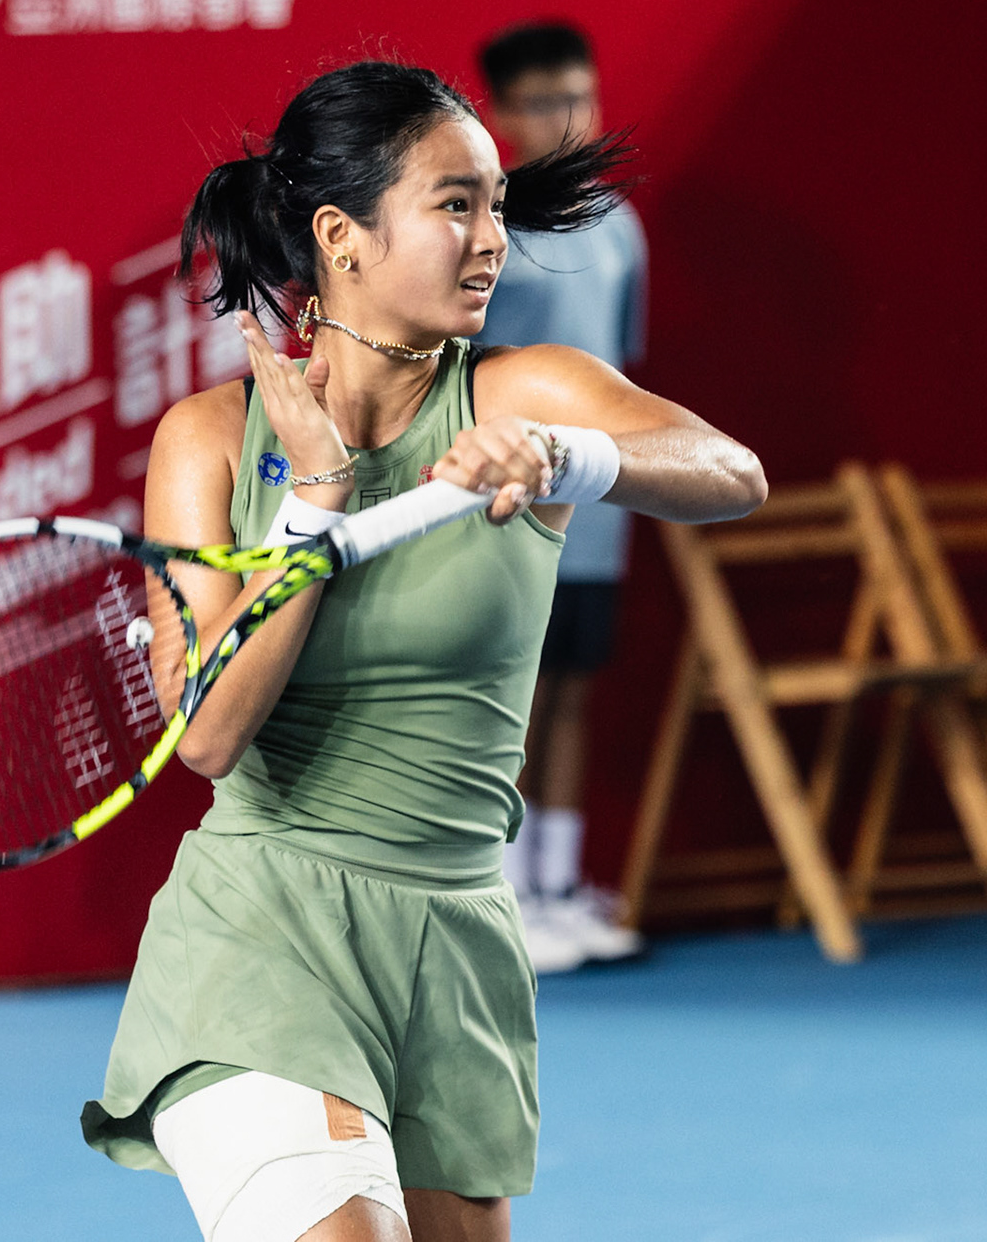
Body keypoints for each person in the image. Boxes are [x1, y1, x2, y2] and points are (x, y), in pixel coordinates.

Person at [80, 60, 765, 1242]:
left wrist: (566, 457)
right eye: (457, 205)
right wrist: (314, 505)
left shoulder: (527, 392)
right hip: (265, 934)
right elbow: (210, 734)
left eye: (496, 204)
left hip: (457, 947)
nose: (493, 238)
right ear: (342, 236)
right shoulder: (209, 440)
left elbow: (732, 475)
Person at [478, 22, 650, 974]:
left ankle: (557, 886)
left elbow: (622, 371)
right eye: (544, 103)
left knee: (575, 693)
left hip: (601, 505)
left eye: (580, 98)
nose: (568, 120)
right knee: (518, 697)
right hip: (508, 505)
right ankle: (503, 893)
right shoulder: (484, 227)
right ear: (500, 115)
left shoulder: (621, 224)